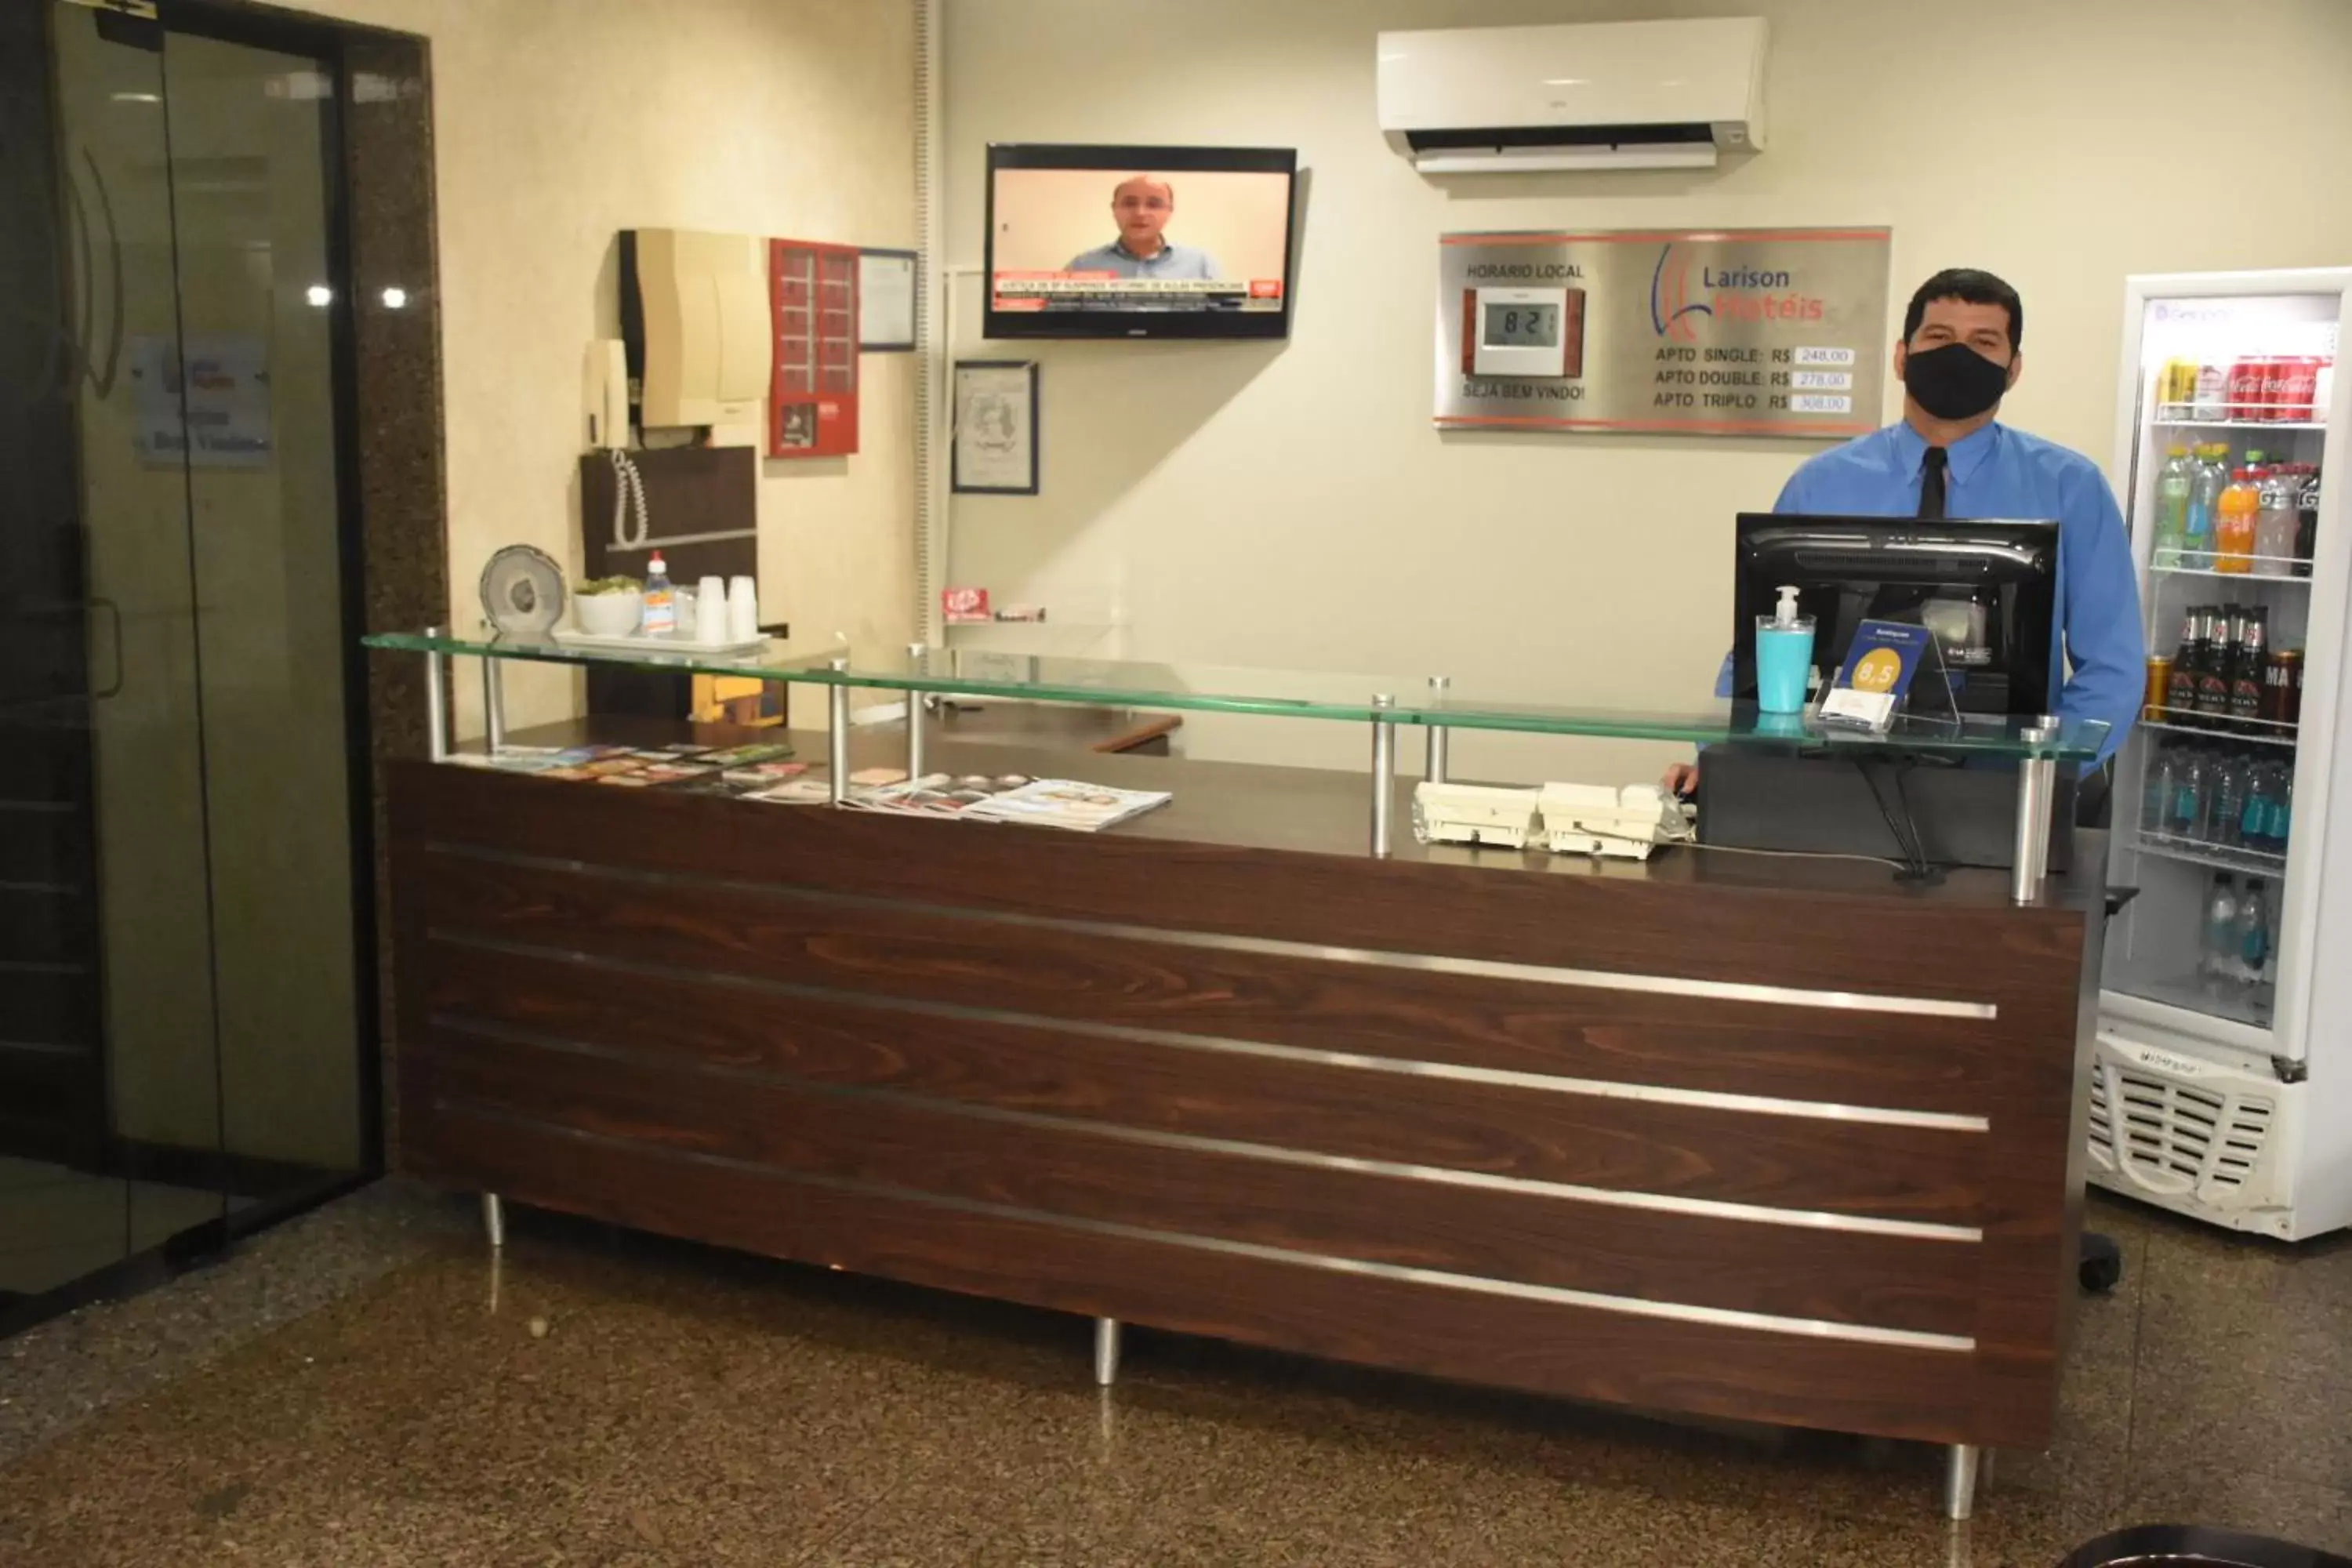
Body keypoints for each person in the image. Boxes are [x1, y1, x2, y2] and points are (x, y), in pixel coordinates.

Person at [1663, 267, 2146, 800]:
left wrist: (2047, 776)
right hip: (1832, 783)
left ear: (2013, 370)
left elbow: (2113, 667)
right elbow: (1763, 643)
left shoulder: (2070, 487)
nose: (1958, 354)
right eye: (1939, 337)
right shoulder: (1821, 483)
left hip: (1999, 797)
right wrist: (1723, 757)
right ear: (1901, 357)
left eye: (1984, 341)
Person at [1065, 175, 1222, 280]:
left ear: (1169, 211)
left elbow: (1231, 323)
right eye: (1129, 203)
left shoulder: (1201, 264)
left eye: (1154, 204)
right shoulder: (1082, 266)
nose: (1140, 213)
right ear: (1114, 209)